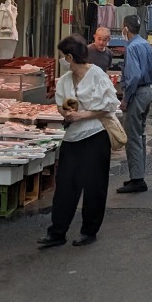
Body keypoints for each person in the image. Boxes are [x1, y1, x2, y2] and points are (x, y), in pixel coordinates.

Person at [38, 35, 118, 248]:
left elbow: (110, 105)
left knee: (94, 186)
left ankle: (89, 231)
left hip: (96, 136)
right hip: (72, 137)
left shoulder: (97, 75)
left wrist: (83, 116)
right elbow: (66, 105)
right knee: (65, 185)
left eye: (64, 56)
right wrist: (67, 112)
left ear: (71, 56)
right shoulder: (65, 79)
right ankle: (57, 233)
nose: (62, 60)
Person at [118, 14, 152, 193]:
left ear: (126, 29)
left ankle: (137, 179)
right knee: (139, 134)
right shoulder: (145, 44)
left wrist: (126, 99)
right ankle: (137, 174)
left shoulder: (132, 47)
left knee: (132, 136)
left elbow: (133, 76)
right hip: (147, 91)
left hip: (136, 93)